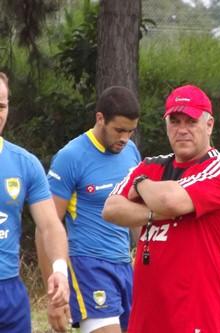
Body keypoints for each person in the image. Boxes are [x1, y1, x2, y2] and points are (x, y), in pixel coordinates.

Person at [102, 84, 220, 333]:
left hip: (197, 318)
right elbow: (111, 208)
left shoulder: (219, 169)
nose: (182, 130)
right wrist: (154, 212)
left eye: (191, 121)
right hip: (148, 320)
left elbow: (171, 200)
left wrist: (142, 184)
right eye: (175, 121)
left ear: (209, 125)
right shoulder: (150, 165)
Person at [35, 85, 141, 333]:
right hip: (88, 265)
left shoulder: (131, 152)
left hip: (124, 265)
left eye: (131, 131)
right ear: (100, 118)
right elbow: (46, 226)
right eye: (119, 130)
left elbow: (135, 210)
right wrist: (54, 293)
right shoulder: (71, 157)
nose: (125, 138)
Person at [0, 71, 69, 333]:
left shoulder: (25, 164)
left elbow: (51, 226)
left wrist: (60, 270)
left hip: (9, 294)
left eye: (2, 106)